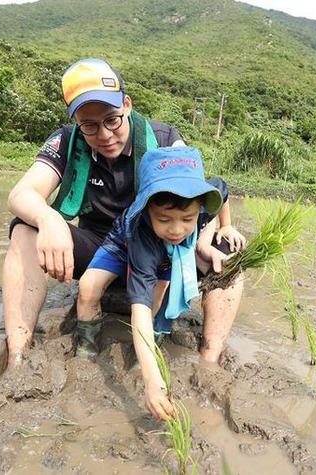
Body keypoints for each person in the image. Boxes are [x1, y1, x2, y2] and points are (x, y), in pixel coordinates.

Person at [2, 58, 242, 373]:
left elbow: (195, 197)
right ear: (76, 121)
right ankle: (17, 356)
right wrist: (49, 219)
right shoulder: (66, 141)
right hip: (100, 249)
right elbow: (20, 195)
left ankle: (209, 360)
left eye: (112, 119)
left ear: (126, 105)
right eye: (89, 125)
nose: (104, 134)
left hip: (157, 249)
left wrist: (208, 237)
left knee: (230, 253)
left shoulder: (165, 140)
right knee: (24, 228)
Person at [75, 146, 246, 421]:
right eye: (164, 219)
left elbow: (221, 189)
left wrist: (225, 225)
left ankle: (149, 346)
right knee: (87, 289)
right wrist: (154, 384)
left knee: (159, 293)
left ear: (200, 206)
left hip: (165, 253)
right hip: (121, 244)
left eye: (187, 219)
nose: (177, 229)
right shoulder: (144, 236)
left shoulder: (200, 201)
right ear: (146, 209)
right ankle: (85, 348)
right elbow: (138, 310)